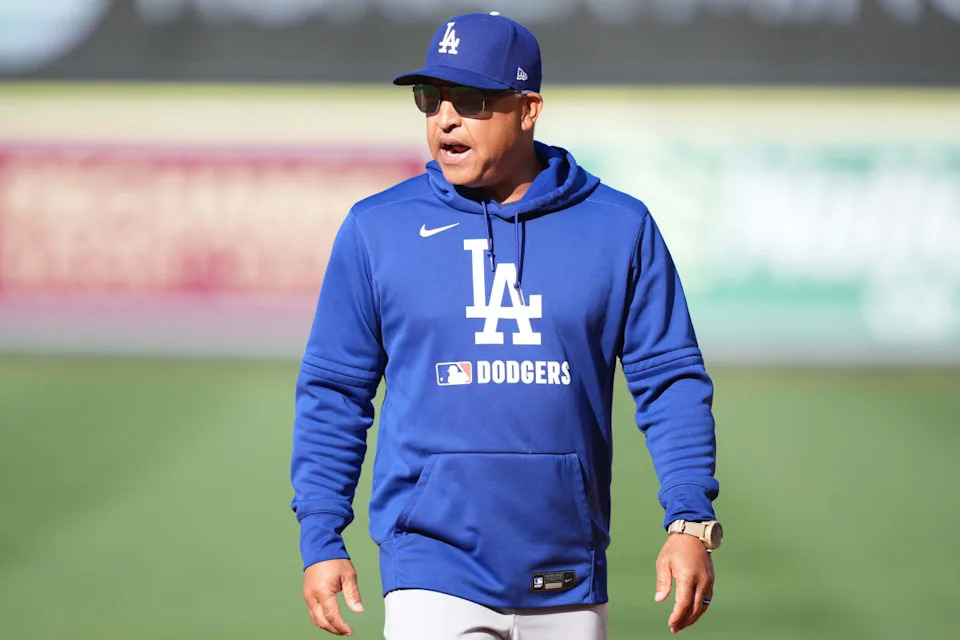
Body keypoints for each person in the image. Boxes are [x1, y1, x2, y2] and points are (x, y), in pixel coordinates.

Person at [290, 12, 721, 640]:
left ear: (528, 109)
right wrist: (322, 535)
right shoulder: (376, 229)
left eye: (469, 100)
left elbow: (670, 379)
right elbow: (335, 392)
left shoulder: (619, 227)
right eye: (430, 99)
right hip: (429, 570)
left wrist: (689, 521)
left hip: (568, 574)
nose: (444, 118)